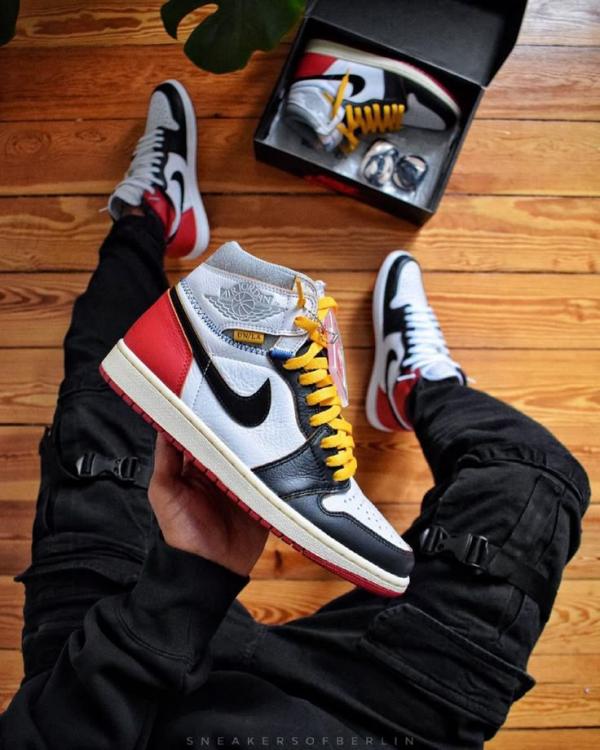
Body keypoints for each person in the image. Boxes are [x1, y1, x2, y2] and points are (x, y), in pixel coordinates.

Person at [0, 82, 589, 750]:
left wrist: (183, 580)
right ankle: (418, 386)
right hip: (373, 723)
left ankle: (150, 214)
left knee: (114, 394)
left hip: (114, 679)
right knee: (536, 477)